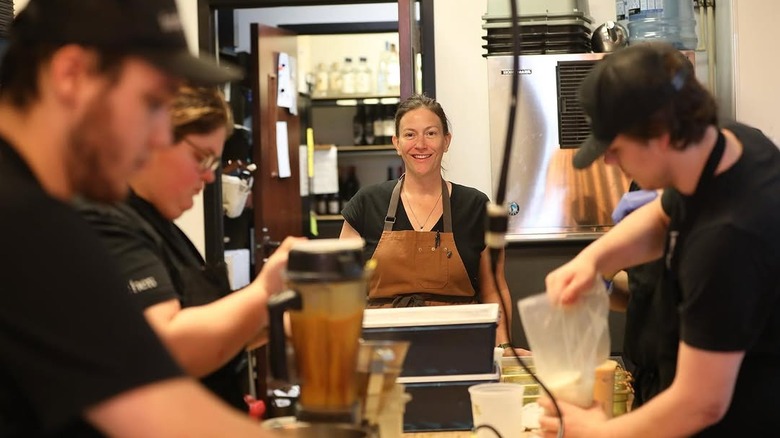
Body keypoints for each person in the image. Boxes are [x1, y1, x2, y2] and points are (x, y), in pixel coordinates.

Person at [0, 0, 285, 436]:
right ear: (71, 75)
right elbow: (158, 413)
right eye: (151, 102)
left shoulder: (42, 211)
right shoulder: (24, 221)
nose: (157, 137)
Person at [539, 42, 780, 436]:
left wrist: (596, 431)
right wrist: (592, 260)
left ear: (662, 134)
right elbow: (664, 212)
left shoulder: (728, 240)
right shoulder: (733, 145)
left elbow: (699, 403)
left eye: (616, 149)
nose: (610, 163)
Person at [76, 85, 302, 411]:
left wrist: (276, 321)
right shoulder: (106, 222)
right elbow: (167, 348)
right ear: (150, 140)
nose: (210, 178)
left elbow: (200, 326)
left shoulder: (160, 225)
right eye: (201, 158)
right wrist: (265, 290)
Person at [339, 94, 517, 351]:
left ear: (447, 141)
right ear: (396, 143)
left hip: (460, 347)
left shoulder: (475, 206)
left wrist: (505, 347)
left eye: (431, 133)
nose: (420, 144)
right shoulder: (367, 204)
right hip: (381, 351)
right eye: (410, 135)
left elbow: (494, 290)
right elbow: (344, 291)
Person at [608, 183, 666, 409]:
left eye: (619, 150)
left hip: (682, 381)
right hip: (644, 378)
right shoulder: (640, 187)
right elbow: (641, 288)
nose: (609, 161)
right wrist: (602, 286)